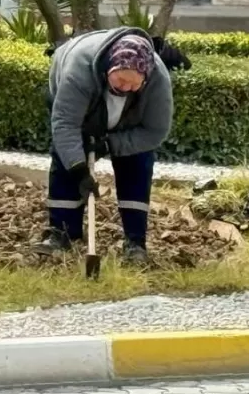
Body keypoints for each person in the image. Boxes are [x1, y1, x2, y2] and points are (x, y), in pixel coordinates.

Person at [33, 28, 172, 266]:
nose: (125, 87)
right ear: (109, 68)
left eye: (133, 84)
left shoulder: (157, 81)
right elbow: (65, 124)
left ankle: (135, 242)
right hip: (80, 112)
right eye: (120, 80)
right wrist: (79, 168)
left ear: (145, 78)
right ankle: (62, 233)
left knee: (137, 163)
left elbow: (155, 131)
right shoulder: (79, 70)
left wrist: (111, 145)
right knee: (66, 161)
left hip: (129, 124)